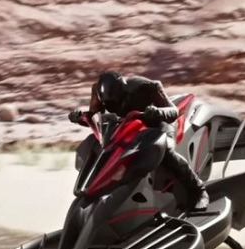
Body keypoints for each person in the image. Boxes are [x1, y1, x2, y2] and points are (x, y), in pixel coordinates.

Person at [68, 71, 209, 211]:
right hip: (128, 127)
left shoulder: (146, 87)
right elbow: (94, 118)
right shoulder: (98, 91)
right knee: (103, 148)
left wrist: (157, 112)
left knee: (167, 150)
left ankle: (198, 190)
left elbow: (173, 112)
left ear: (124, 91)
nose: (113, 106)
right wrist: (79, 118)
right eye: (108, 103)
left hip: (156, 124)